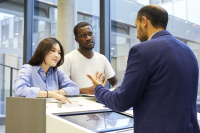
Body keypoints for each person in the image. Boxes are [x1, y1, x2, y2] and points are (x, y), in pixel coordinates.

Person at [86, 4, 200, 133]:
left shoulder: (142, 51)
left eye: (136, 26)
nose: (136, 35)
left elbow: (121, 102)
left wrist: (98, 88)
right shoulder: (188, 51)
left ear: (144, 21)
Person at [60, 22, 120, 94]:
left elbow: (116, 83)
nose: (88, 38)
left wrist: (107, 92)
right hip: (76, 103)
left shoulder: (102, 58)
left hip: (99, 102)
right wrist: (85, 91)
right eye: (82, 36)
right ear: (76, 40)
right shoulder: (68, 59)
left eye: (90, 34)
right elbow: (61, 88)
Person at [14, 37, 79, 103]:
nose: (57, 55)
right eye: (53, 51)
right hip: (32, 110)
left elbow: (75, 89)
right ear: (42, 51)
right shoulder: (27, 69)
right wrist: (50, 94)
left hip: (52, 110)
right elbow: (19, 90)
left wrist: (57, 92)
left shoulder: (56, 71)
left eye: (59, 53)